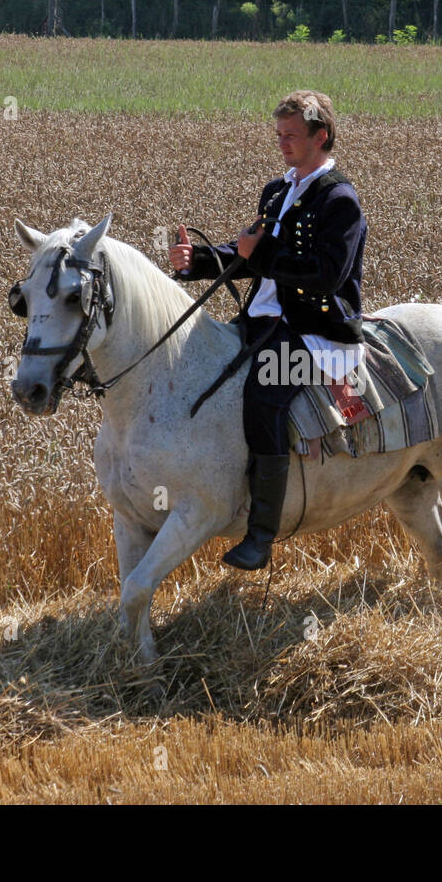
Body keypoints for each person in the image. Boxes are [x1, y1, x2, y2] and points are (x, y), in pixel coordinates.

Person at [169, 90, 367, 570]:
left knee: (264, 396)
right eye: (279, 135)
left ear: (321, 136)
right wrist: (197, 261)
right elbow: (249, 252)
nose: (282, 144)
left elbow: (326, 275)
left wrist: (262, 257)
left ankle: (260, 535)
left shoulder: (340, 200)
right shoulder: (277, 191)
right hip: (260, 320)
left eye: (292, 136)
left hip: (314, 330)